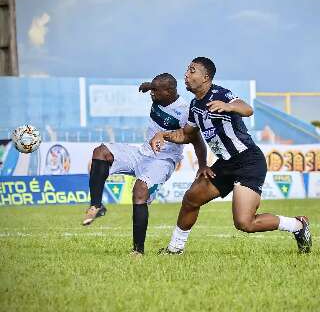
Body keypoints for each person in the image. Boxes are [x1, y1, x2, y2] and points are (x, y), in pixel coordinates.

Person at [150, 57, 312, 254]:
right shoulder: (194, 105)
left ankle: (297, 225)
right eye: (187, 70)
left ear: (205, 77)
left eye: (192, 71)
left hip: (248, 162)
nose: (186, 74)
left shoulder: (221, 94)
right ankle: (175, 249)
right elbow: (187, 134)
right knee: (191, 199)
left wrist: (229, 106)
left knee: (245, 223)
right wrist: (163, 135)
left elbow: (247, 108)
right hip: (225, 164)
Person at [83, 73, 207, 255]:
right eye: (153, 89)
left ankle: (137, 251)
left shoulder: (184, 111)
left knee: (139, 191)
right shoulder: (158, 92)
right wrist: (148, 86)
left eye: (156, 90)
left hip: (163, 160)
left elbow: (196, 140)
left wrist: (203, 165)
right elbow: (154, 86)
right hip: (142, 152)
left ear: (169, 91)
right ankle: (96, 205)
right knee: (101, 152)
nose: (152, 93)